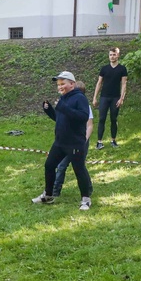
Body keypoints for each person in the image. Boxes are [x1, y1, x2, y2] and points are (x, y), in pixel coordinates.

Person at [32, 71, 94, 210]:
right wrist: (49, 111)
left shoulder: (80, 98)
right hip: (60, 142)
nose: (60, 87)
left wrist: (63, 108)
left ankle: (86, 199)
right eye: (58, 84)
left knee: (79, 170)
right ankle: (48, 195)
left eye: (63, 84)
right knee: (49, 165)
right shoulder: (63, 99)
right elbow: (60, 118)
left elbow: (83, 117)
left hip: (75, 143)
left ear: (72, 84)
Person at [92, 47, 128, 149]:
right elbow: (99, 83)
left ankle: (113, 140)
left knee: (113, 118)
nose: (112, 57)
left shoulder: (122, 69)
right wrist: (95, 97)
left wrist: (121, 98)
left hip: (115, 98)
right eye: (110, 55)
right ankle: (99, 142)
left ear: (118, 55)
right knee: (102, 118)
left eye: (114, 54)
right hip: (104, 97)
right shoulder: (104, 69)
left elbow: (124, 84)